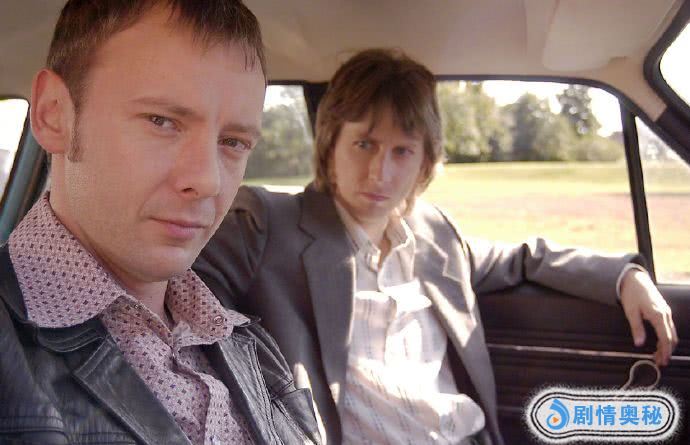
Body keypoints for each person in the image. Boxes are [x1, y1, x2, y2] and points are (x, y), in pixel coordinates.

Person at [194, 49, 677, 445]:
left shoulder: (435, 235)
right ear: (331, 142)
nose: (380, 173)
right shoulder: (267, 225)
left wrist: (625, 277)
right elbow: (177, 280)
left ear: (424, 162)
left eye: (402, 151)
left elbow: (523, 259)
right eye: (364, 144)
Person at [0, 1, 321, 444]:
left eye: (233, 142)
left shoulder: (248, 342)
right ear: (53, 114)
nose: (207, 181)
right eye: (162, 121)